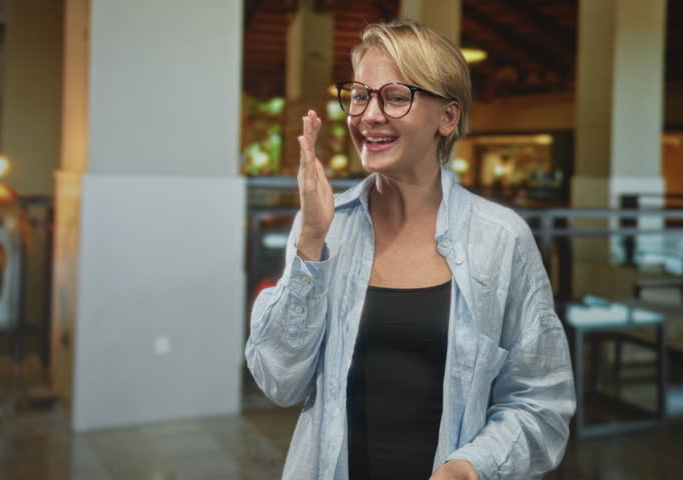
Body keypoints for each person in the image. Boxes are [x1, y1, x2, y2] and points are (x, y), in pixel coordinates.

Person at [245, 18, 575, 480]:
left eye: (396, 97)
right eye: (360, 95)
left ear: (448, 117)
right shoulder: (327, 227)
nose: (370, 114)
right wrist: (311, 242)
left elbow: (542, 403)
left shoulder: (500, 240)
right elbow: (278, 381)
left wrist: (470, 467)